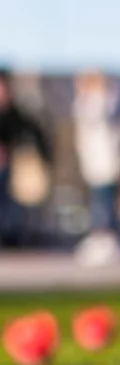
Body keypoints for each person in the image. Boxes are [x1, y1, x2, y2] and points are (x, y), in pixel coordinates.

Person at [72, 71, 120, 265]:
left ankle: (107, 239)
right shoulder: (86, 99)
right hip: (93, 161)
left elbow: (99, 116)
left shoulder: (108, 97)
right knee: (98, 200)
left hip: (106, 161)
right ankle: (99, 237)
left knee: (105, 202)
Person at [0, 68, 51, 249]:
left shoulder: (17, 114)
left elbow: (35, 135)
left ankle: (10, 237)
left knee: (12, 206)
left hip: (11, 170)